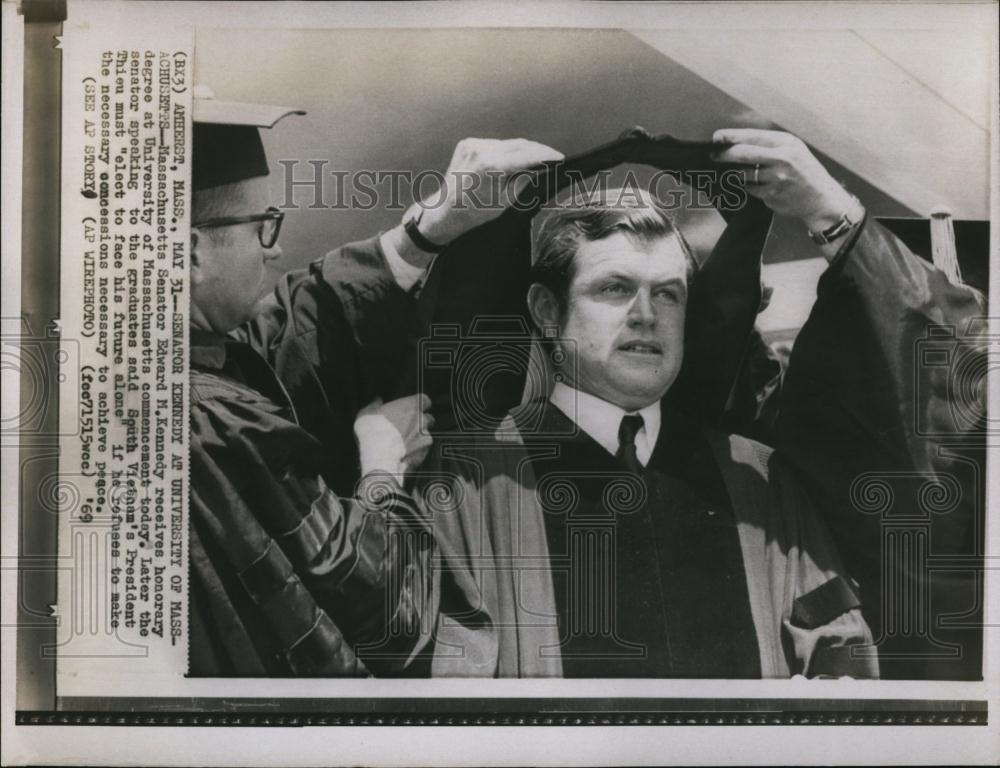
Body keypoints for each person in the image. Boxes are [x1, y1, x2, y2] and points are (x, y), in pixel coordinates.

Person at [423, 128, 956, 678]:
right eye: (613, 288)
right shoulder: (474, 478)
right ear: (547, 310)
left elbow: (836, 643)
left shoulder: (759, 478)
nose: (645, 314)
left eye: (667, 293)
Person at [186, 91, 562, 675]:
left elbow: (278, 337)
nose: (277, 247)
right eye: (263, 226)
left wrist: (428, 230)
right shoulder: (216, 425)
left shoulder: (163, 367)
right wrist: (384, 470)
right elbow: (386, 613)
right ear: (190, 252)